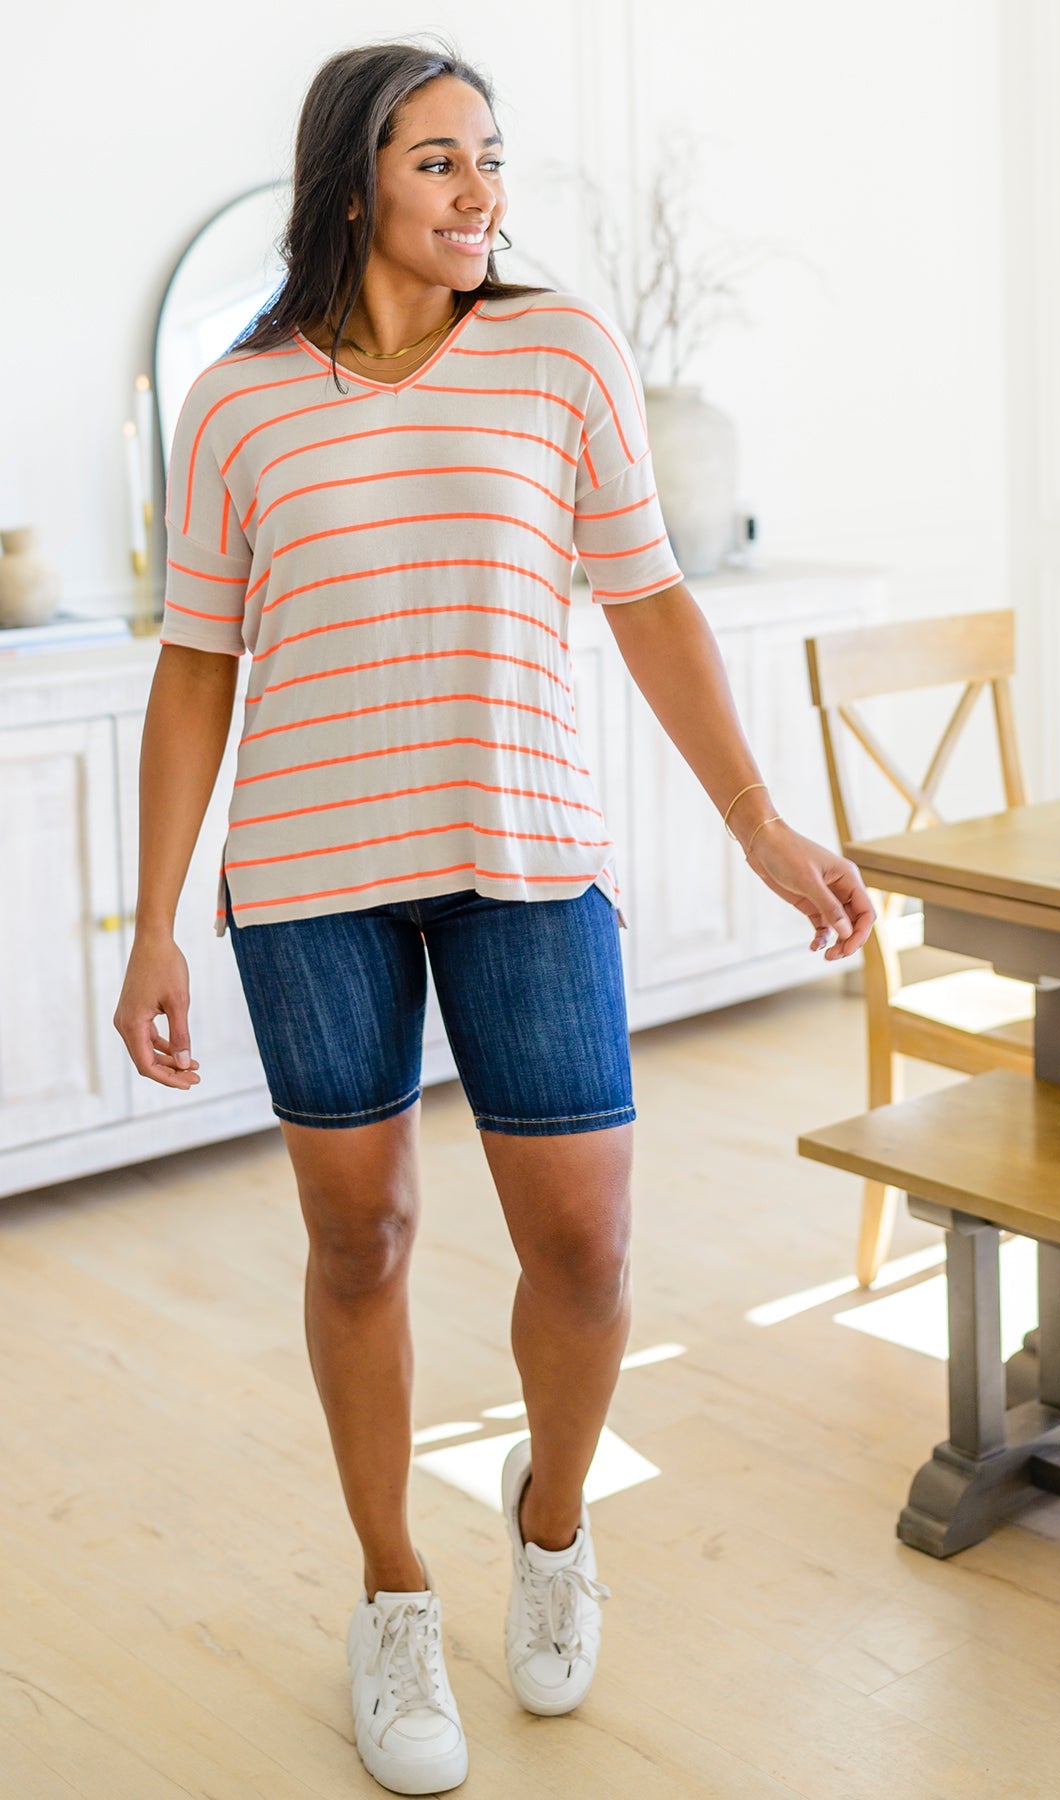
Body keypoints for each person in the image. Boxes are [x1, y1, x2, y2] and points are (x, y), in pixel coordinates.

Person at [113, 37, 875, 1798]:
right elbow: (193, 669)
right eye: (444, 163)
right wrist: (153, 920)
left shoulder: (559, 355)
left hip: (527, 854)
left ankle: (549, 1526)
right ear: (355, 179)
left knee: (588, 1250)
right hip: (307, 878)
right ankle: (391, 1592)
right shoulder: (234, 403)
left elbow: (652, 602)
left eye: (493, 161)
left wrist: (759, 822)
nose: (484, 196)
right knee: (360, 1239)